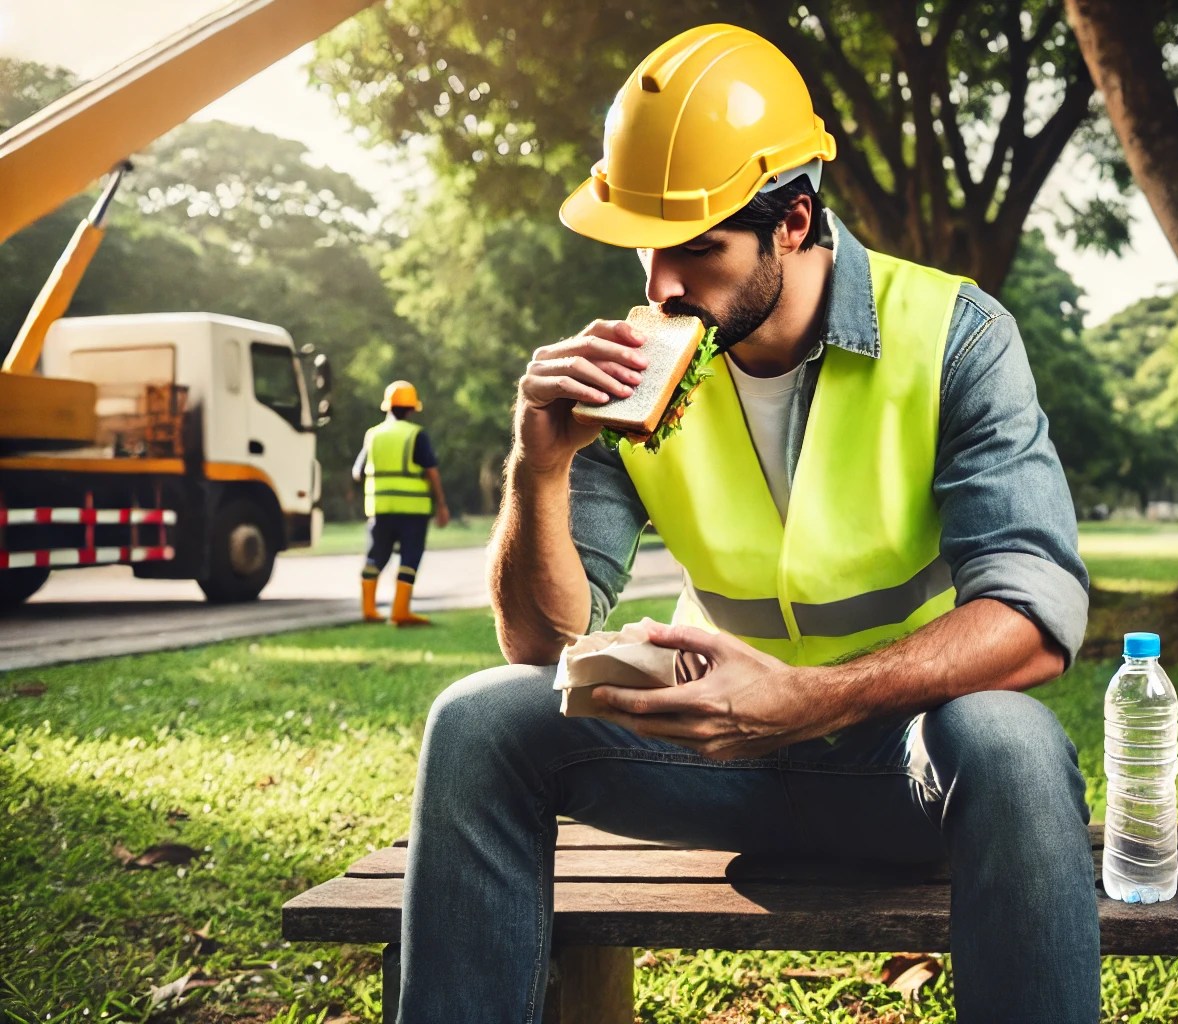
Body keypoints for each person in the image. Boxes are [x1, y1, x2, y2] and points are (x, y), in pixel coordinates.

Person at [397, 24, 1097, 1023]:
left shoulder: (957, 334)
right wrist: (539, 467)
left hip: (904, 764)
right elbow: (540, 643)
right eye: (645, 242)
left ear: (794, 221)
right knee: (476, 720)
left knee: (1016, 742)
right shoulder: (631, 369)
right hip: (711, 754)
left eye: (696, 246)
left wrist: (809, 698)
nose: (660, 284)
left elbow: (1031, 617)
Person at [352, 380, 450, 626]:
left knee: (376, 557)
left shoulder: (372, 435)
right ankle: (400, 611)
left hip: (380, 509)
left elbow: (358, 472)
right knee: (409, 558)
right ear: (412, 409)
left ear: (387, 407)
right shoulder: (416, 434)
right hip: (412, 510)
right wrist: (441, 505)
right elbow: (432, 472)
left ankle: (368, 609)